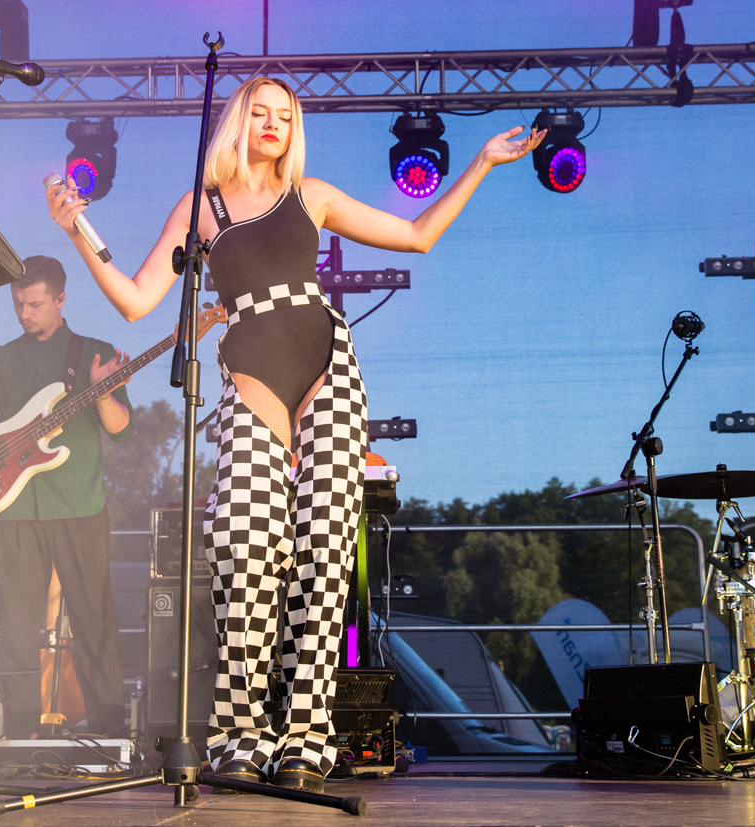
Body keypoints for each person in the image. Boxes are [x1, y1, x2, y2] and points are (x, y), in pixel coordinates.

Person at [47, 75, 543, 792]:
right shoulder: (202, 207)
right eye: (261, 113)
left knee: (325, 544)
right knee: (241, 544)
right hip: (248, 362)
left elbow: (418, 235)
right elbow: (134, 300)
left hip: (323, 358)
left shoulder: (311, 194)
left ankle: (307, 734)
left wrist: (482, 162)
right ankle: (243, 731)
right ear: (238, 123)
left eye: (286, 115)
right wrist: (76, 229)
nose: (274, 124)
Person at [0, 255, 134, 739]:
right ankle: (18, 732)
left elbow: (121, 430)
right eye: (18, 304)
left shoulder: (95, 352)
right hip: (14, 507)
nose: (24, 313)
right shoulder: (4, 358)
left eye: (34, 304)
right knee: (14, 625)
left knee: (95, 621)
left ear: (61, 299)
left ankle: (109, 732)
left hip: (79, 504)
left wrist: (100, 393)